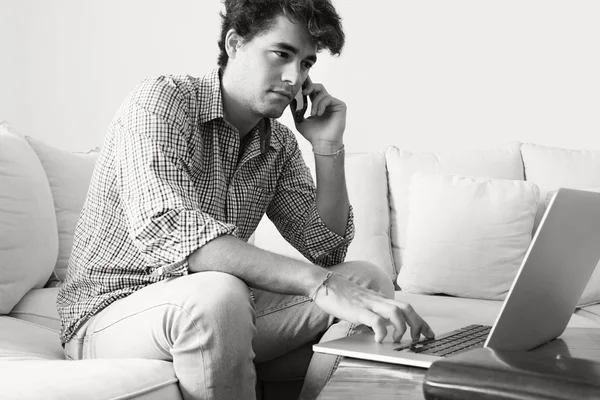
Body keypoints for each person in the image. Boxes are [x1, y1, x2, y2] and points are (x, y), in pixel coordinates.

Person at [56, 1, 434, 399]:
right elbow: (168, 228)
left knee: (368, 280)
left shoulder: (279, 144)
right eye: (282, 54)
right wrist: (318, 285)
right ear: (235, 44)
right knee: (219, 292)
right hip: (109, 314)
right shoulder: (162, 101)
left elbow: (325, 247)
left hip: (221, 310)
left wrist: (327, 147)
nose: (294, 78)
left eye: (306, 63)